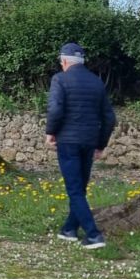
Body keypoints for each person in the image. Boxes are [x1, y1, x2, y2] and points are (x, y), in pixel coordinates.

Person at [46, 42, 117, 249]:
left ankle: (94, 235)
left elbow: (55, 109)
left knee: (75, 190)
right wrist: (101, 144)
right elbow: (109, 118)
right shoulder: (96, 82)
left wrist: (50, 132)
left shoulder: (59, 79)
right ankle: (69, 229)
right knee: (80, 188)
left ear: (64, 61)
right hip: (89, 141)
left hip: (68, 142)